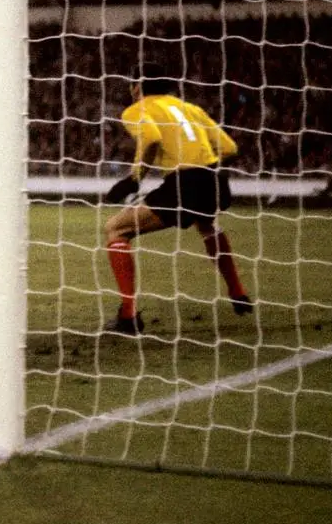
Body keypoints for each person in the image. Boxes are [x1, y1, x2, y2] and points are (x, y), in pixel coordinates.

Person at [102, 62, 252, 335]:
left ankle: (128, 316)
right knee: (206, 225)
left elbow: (150, 137)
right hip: (215, 180)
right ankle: (237, 291)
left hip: (185, 182)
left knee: (116, 229)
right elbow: (229, 147)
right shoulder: (190, 108)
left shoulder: (137, 109)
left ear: (137, 86)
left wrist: (133, 179)